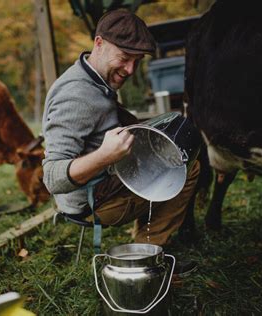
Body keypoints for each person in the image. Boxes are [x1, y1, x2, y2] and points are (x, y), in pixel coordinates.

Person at [42, 9, 200, 248]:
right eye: (125, 57)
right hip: (91, 202)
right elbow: (52, 178)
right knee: (187, 170)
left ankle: (144, 240)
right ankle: (148, 251)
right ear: (99, 43)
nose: (130, 70)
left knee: (175, 156)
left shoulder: (93, 78)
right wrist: (105, 156)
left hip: (102, 184)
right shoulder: (75, 97)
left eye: (137, 61)